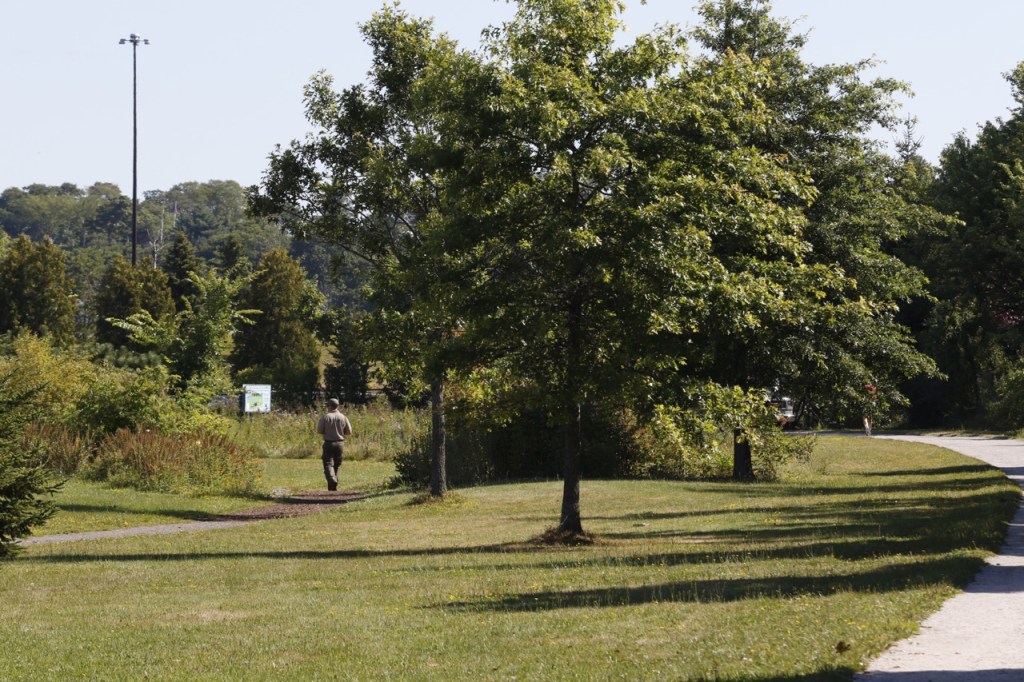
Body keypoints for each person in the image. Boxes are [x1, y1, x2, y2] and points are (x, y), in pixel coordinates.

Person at [316, 398, 352, 491]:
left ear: (330, 406)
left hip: (329, 443)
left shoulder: (326, 417)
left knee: (328, 464)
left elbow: (319, 430)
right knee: (336, 464)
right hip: (340, 443)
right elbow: (349, 431)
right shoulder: (343, 417)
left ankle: (332, 480)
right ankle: (333, 487)